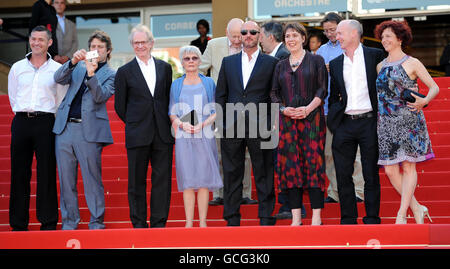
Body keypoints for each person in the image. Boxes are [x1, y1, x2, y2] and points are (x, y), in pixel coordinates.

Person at [374, 20, 439, 224]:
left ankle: (402, 214)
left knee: (409, 167)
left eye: (388, 36)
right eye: (382, 36)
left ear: (399, 39)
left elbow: (434, 87)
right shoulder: (380, 66)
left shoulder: (413, 62)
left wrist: (425, 101)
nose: (384, 40)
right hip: (386, 124)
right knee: (391, 170)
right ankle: (417, 208)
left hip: (409, 121)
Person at [215, 20, 278, 226]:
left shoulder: (271, 63)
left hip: (261, 124)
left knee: (264, 171)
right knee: (232, 173)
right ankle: (232, 217)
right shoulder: (228, 62)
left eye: (253, 32)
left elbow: (274, 95)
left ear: (260, 35)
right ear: (239, 36)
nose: (248, 35)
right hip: (232, 125)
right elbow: (221, 95)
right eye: (244, 32)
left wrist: (271, 121)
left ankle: (266, 216)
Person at [53, 30, 115, 230]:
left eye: (100, 48)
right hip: (64, 128)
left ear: (108, 51)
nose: (96, 51)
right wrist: (72, 61)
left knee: (91, 179)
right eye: (93, 47)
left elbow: (100, 96)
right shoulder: (77, 66)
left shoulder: (112, 74)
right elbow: (58, 78)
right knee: (65, 179)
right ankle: (69, 222)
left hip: (89, 131)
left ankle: (96, 221)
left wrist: (91, 72)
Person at [7, 25, 67, 231]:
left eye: (41, 39)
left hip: (46, 122)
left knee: (47, 173)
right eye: (33, 39)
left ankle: (48, 221)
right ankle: (18, 222)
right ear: (29, 40)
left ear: (49, 42)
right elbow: (13, 96)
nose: (36, 43)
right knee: (18, 173)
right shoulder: (16, 68)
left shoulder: (56, 70)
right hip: (21, 121)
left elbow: (60, 100)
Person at [114, 24, 174, 228]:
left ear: (151, 43)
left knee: (162, 181)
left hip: (163, 133)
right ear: (132, 45)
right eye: (136, 43)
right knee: (136, 182)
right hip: (138, 133)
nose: (140, 46)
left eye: (143, 42)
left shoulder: (165, 68)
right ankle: (138, 223)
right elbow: (120, 107)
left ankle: (159, 223)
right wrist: (137, 122)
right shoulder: (123, 72)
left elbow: (168, 98)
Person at [328, 20, 385, 225]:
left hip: (369, 122)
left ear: (354, 33)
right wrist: (335, 122)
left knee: (370, 174)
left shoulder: (375, 56)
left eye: (340, 32)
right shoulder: (335, 64)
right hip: (344, 124)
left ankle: (371, 218)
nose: (337, 36)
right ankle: (348, 219)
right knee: (343, 175)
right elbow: (333, 96)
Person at [270, 22, 328, 226]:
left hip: (312, 121)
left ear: (303, 38)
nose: (291, 39)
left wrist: (308, 109)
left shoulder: (316, 60)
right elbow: (274, 93)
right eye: (287, 36)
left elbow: (322, 90)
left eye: (295, 35)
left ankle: (316, 217)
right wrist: (283, 109)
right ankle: (296, 217)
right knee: (290, 168)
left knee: (314, 166)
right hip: (288, 123)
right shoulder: (280, 65)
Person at [200, 18, 257, 206]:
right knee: (219, 152)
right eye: (233, 36)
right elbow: (201, 70)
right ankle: (219, 193)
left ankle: (245, 193)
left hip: (246, 109)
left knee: (246, 154)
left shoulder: (249, 44)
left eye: (239, 35)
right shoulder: (214, 45)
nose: (237, 40)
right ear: (226, 33)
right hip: (221, 107)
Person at [169, 45, 223, 227]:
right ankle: (189, 223)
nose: (191, 62)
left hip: (205, 134)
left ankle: (202, 223)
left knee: (203, 179)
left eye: (194, 58)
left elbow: (217, 110)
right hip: (184, 136)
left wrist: (203, 124)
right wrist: (181, 124)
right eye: (187, 58)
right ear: (182, 62)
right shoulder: (175, 84)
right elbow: (171, 112)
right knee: (188, 179)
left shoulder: (209, 83)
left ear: (200, 61)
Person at [260, 21, 307, 220]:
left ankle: (291, 205)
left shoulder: (282, 56)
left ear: (270, 37)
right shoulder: (277, 56)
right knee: (283, 163)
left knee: (288, 162)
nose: (259, 39)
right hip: (279, 117)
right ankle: (288, 202)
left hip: (286, 119)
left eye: (260, 35)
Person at [316, 12, 365, 204]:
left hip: (351, 107)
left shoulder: (353, 48)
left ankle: (358, 191)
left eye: (333, 30)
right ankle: (334, 191)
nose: (329, 34)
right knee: (329, 153)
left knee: (355, 154)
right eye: (326, 30)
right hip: (327, 108)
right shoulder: (320, 51)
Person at [53, 0, 78, 64]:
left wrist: (68, 56)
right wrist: (53, 55)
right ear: (52, 5)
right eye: (57, 3)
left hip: (68, 61)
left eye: (62, 3)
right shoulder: (48, 22)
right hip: (53, 60)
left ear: (65, 6)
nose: (59, 5)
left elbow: (75, 42)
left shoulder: (72, 24)